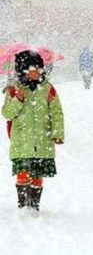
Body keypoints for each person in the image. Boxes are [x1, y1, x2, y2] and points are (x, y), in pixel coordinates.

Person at [2, 50, 64, 213]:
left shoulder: (48, 89)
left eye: (39, 69)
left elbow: (56, 112)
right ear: (22, 70)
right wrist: (17, 99)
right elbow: (7, 113)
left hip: (42, 140)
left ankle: (34, 204)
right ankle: (23, 205)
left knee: (37, 174)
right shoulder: (14, 89)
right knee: (23, 173)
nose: (36, 72)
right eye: (32, 69)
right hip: (22, 140)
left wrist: (57, 133)